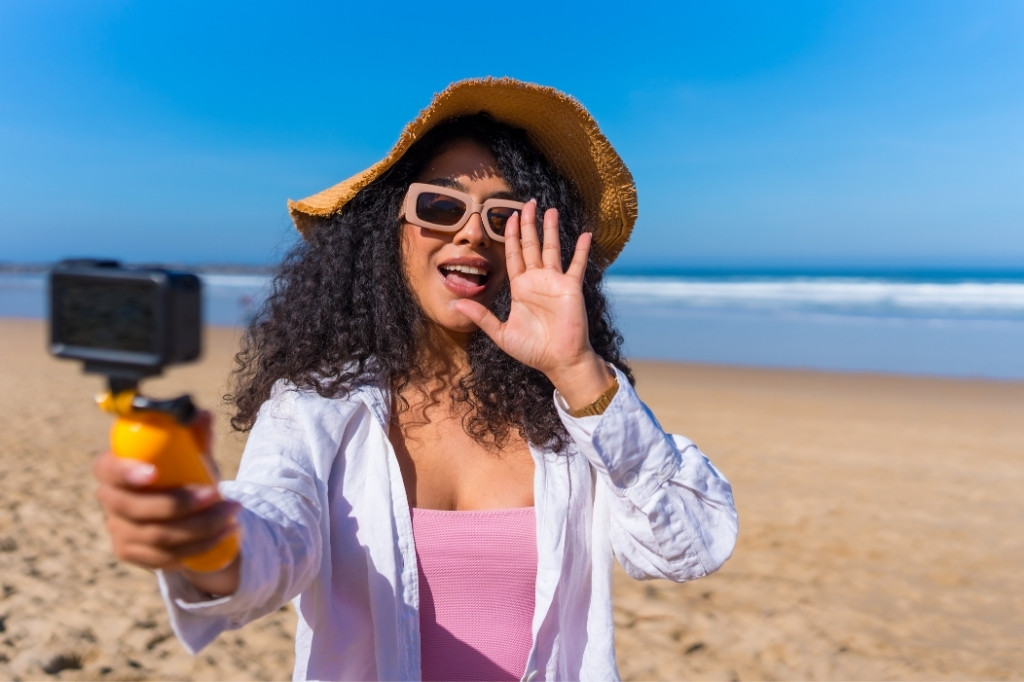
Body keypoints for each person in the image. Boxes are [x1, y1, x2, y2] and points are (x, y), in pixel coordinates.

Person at [92, 77, 738, 681]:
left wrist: (576, 369)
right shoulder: (318, 405)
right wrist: (207, 537)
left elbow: (688, 547)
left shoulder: (575, 412)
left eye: (505, 218)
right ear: (388, 232)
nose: (471, 234)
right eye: (439, 206)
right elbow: (275, 539)